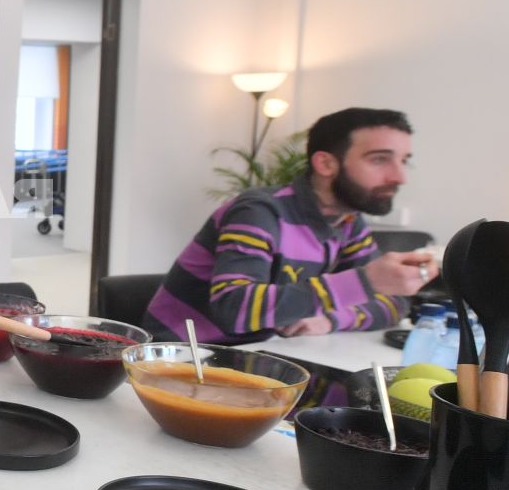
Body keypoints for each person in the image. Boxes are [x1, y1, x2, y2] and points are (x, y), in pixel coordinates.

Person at [143, 108, 432, 343]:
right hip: (184, 359)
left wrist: (329, 318)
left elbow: (395, 304)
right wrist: (366, 282)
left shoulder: (347, 221)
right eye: (380, 159)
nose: (399, 177)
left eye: (404, 161)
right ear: (326, 164)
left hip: (264, 355)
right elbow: (234, 307)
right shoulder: (259, 211)